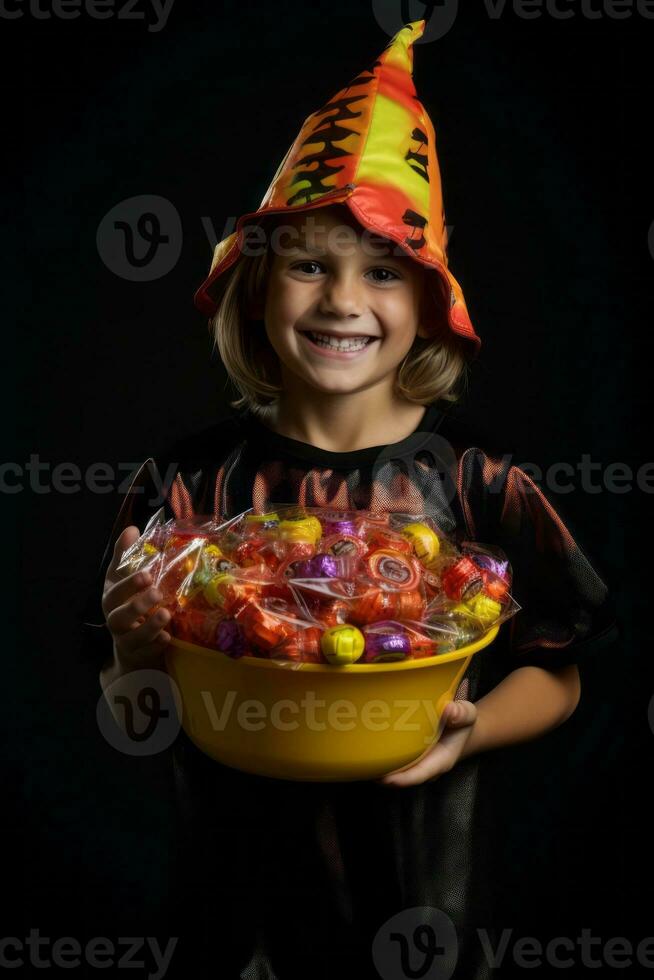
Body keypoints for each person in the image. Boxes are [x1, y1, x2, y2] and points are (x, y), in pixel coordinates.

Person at [82, 20, 618, 980]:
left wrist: (472, 732)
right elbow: (134, 722)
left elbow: (565, 669)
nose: (342, 299)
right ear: (256, 289)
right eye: (307, 264)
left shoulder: (479, 481)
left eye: (381, 271)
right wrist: (131, 655)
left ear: (427, 305)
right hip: (234, 918)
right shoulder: (185, 489)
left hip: (419, 905)